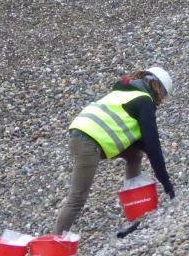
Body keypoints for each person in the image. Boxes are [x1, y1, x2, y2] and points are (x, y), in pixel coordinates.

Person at [55, 66, 175, 234]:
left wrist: (147, 150)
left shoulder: (125, 92)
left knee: (134, 154)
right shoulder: (144, 101)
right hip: (87, 141)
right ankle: (55, 245)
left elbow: (142, 143)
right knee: (77, 198)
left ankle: (137, 207)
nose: (160, 100)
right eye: (162, 95)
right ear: (159, 89)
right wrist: (166, 181)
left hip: (83, 134)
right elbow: (153, 145)